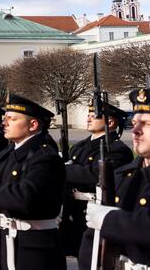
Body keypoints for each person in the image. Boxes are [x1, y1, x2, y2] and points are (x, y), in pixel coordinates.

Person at [81, 88, 150, 269]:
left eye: (149, 124)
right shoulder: (124, 174)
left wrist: (110, 219)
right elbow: (92, 240)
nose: (135, 130)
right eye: (135, 123)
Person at [0, 94, 66, 270]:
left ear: (33, 125)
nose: (4, 123)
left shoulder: (45, 157)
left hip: (34, 251)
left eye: (12, 119)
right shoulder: (4, 156)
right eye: (5, 118)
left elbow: (27, 197)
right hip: (3, 244)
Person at [60, 99, 132, 259]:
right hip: (73, 212)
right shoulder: (80, 146)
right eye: (88, 114)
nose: (88, 118)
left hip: (93, 211)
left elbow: (94, 175)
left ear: (111, 122)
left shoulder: (118, 149)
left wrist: (62, 169)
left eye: (94, 115)